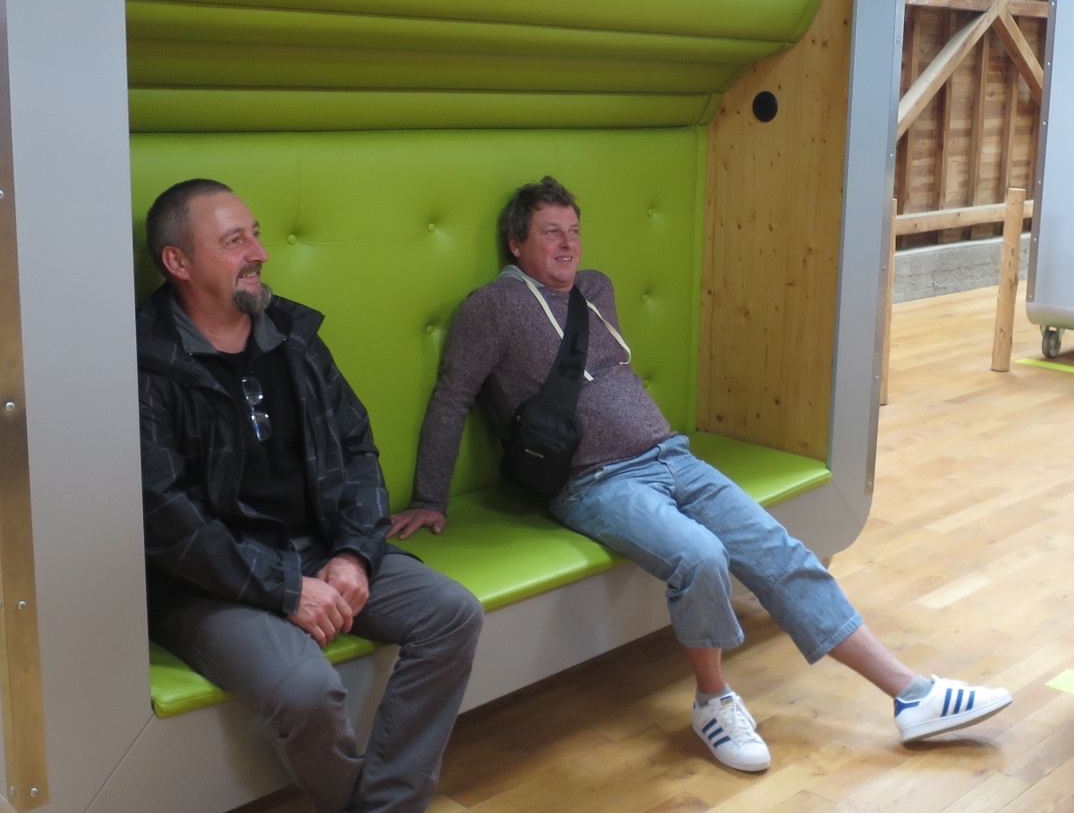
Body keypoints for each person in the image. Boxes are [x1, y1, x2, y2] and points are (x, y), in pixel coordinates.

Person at [389, 176, 1011, 773]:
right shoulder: (492, 308)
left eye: (574, 231)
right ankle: (713, 702)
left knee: (779, 551)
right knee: (702, 556)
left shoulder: (595, 289)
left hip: (672, 456)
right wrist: (429, 497)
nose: (567, 244)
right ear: (515, 243)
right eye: (550, 232)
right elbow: (452, 398)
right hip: (595, 481)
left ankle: (911, 694)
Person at [138, 178, 483, 813]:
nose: (259, 253)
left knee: (451, 613)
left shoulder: (292, 336)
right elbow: (164, 518)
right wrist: (284, 588)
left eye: (256, 234)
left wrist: (355, 555)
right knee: (305, 688)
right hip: (209, 582)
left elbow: (356, 450)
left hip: (322, 548)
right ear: (178, 262)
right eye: (235, 241)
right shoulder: (144, 364)